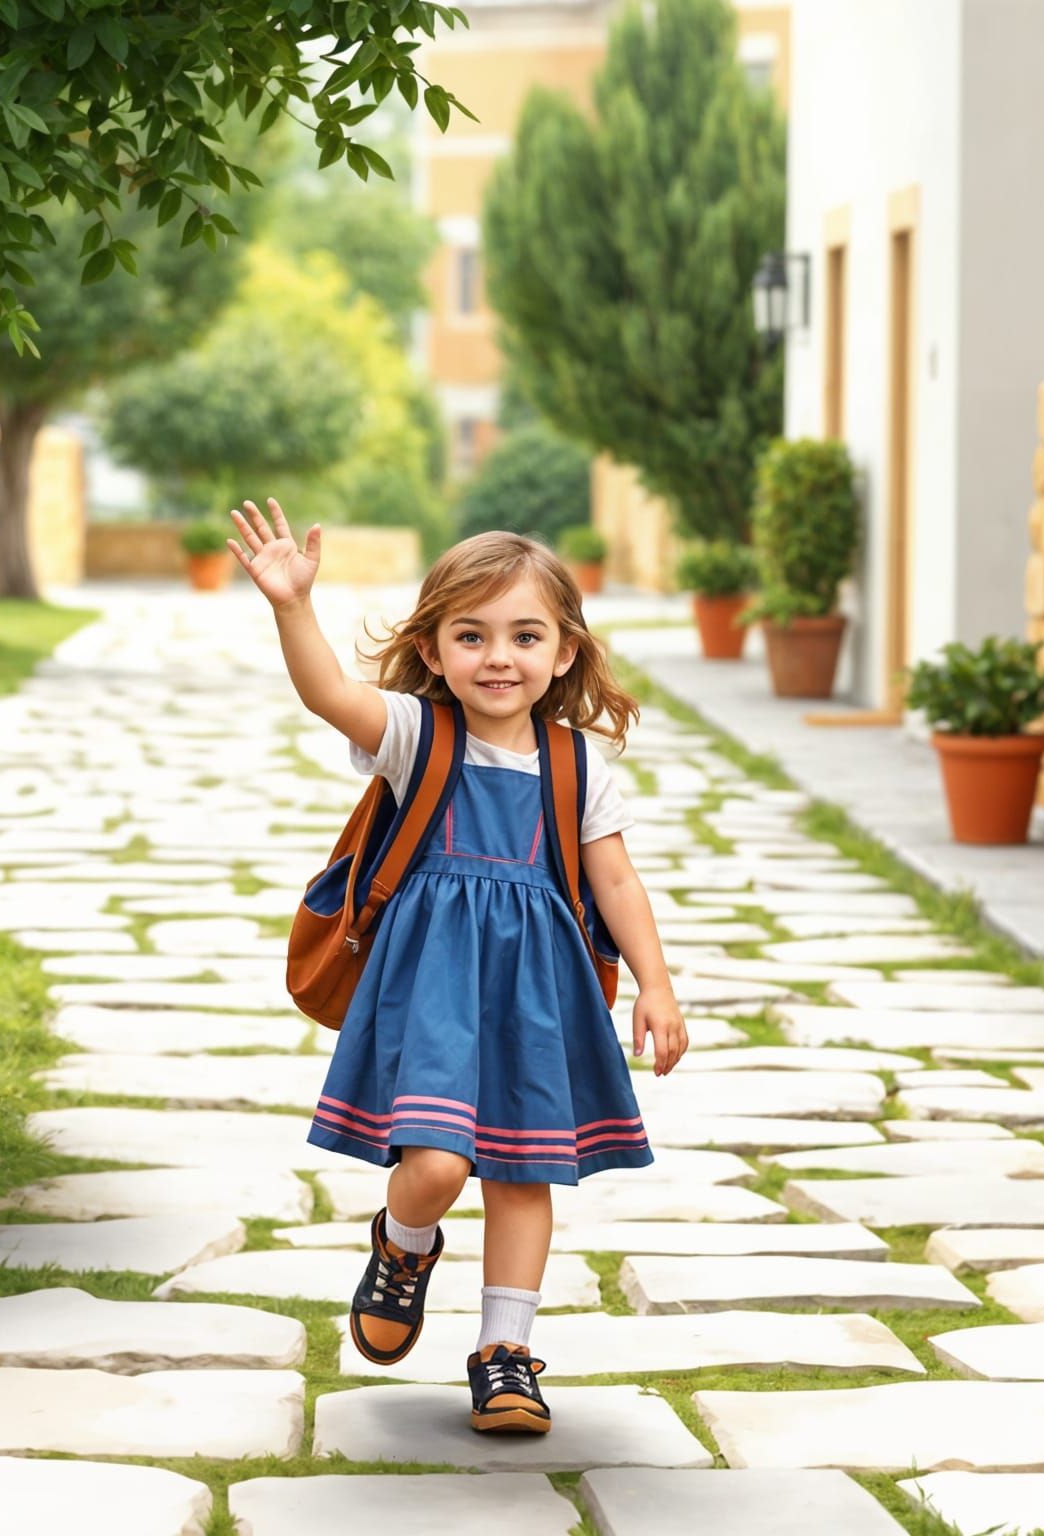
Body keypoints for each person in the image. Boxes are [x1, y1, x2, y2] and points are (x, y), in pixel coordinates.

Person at [228, 498, 688, 1434]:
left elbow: (615, 879)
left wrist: (657, 984)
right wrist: (292, 606)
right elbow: (328, 692)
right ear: (433, 651)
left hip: (537, 998)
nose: (498, 657)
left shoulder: (577, 766)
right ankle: (405, 1244)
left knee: (523, 1173)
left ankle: (505, 1356)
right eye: (471, 636)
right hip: (433, 990)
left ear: (564, 651)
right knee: (435, 1165)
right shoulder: (417, 735)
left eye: (525, 635)